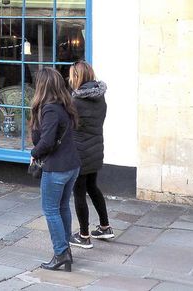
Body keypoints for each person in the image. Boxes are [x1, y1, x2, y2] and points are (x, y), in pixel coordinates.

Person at [30, 67, 81, 271]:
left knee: (51, 210)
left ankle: (61, 253)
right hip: (71, 165)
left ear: (42, 86)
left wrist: (34, 153)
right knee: (62, 207)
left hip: (57, 167)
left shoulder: (50, 108)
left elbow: (47, 142)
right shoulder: (65, 105)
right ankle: (65, 250)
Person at [68, 61, 113, 249]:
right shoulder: (100, 98)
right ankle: (105, 227)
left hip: (79, 152)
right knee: (93, 187)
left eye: (72, 75)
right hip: (96, 149)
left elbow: (70, 126)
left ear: (77, 77)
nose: (70, 79)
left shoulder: (76, 101)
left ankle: (84, 235)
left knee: (79, 192)